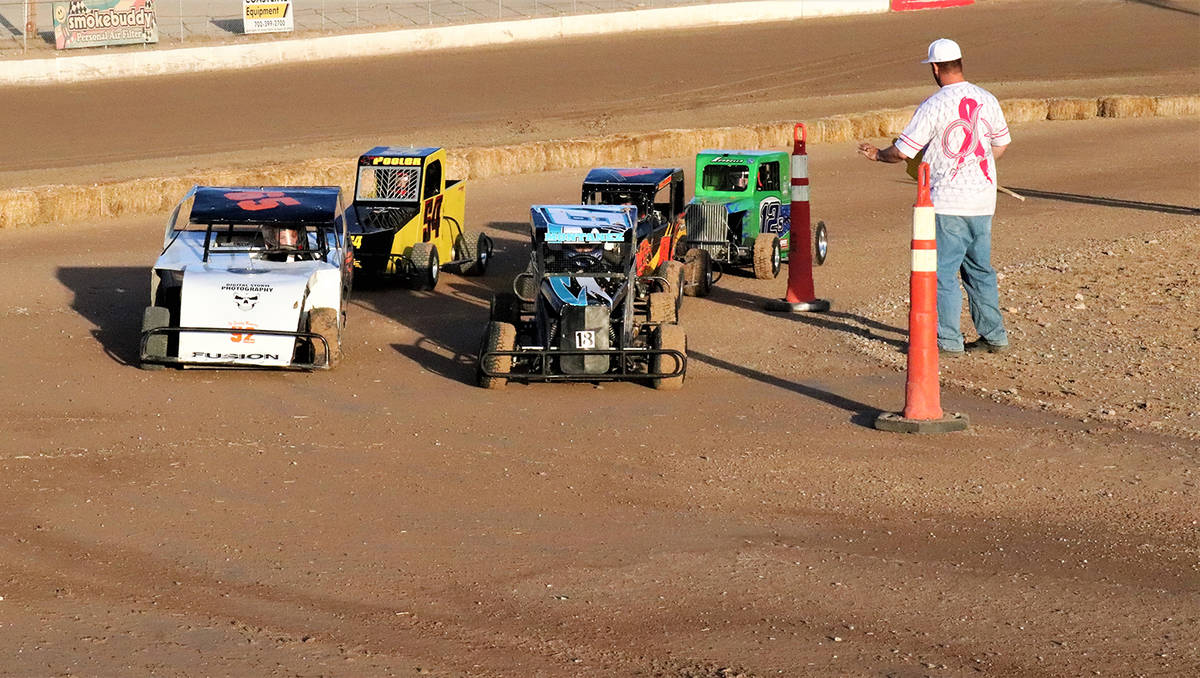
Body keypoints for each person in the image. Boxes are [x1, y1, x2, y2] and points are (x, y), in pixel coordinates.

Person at [857, 38, 1012, 356]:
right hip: (983, 200)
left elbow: (902, 151)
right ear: (960, 63)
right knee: (980, 270)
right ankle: (994, 336)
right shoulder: (986, 98)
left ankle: (947, 340)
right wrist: (976, 166)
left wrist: (876, 155)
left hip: (947, 202)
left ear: (936, 68)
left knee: (941, 273)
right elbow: (1002, 143)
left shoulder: (934, 104)